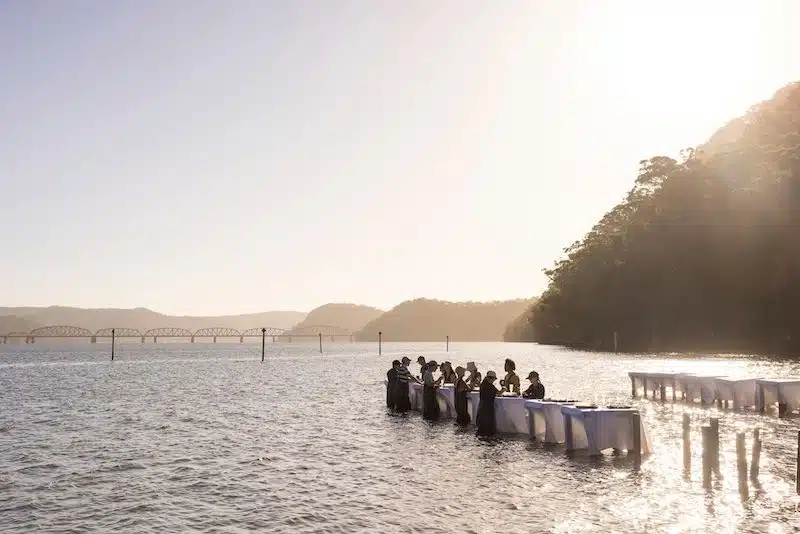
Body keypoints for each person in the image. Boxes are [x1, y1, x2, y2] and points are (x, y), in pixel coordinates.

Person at [476, 370, 499, 436]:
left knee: (481, 429)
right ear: (490, 378)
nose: (493, 381)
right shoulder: (490, 386)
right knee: (488, 430)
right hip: (488, 410)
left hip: (481, 409)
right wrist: (504, 388)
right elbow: (499, 393)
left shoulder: (483, 384)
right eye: (493, 379)